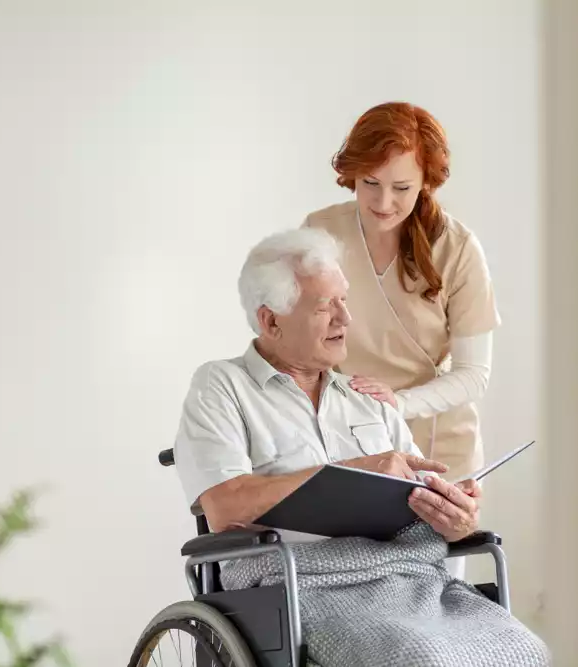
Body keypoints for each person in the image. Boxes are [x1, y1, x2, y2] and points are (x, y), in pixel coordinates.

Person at [172, 228, 549, 667]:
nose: (345, 319)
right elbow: (224, 507)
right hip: (298, 584)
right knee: (421, 660)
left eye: (344, 300)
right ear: (271, 321)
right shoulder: (222, 386)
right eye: (324, 307)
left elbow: (424, 505)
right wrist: (355, 470)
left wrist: (455, 520)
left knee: (526, 651)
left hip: (409, 579)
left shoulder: (366, 396)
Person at [302, 102, 501, 579]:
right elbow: (297, 337)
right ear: (351, 173)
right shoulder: (321, 233)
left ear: (426, 182)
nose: (384, 202)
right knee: (351, 586)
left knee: (432, 593)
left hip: (435, 446)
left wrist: (397, 403)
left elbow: (474, 374)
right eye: (370, 183)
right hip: (348, 443)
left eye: (402, 187)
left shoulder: (456, 249)